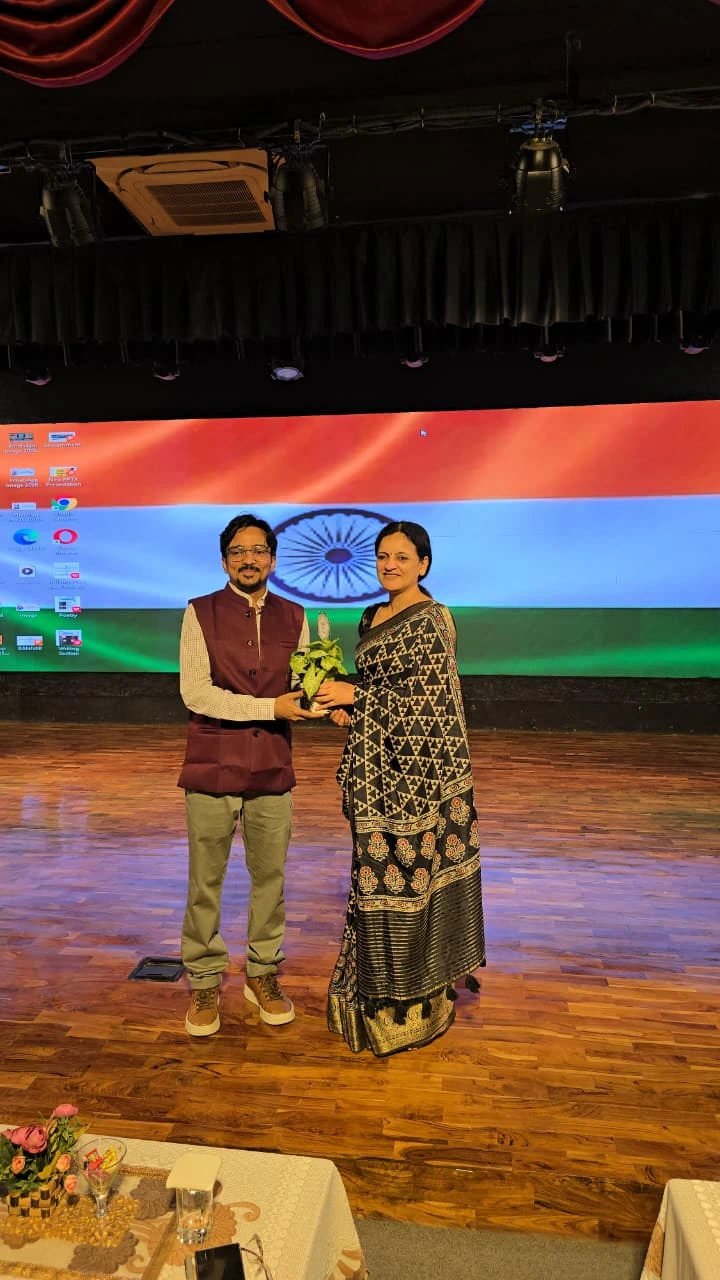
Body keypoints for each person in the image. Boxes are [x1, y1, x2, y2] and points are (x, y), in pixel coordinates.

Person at [314, 521, 486, 1056]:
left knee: (415, 881)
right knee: (372, 882)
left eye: (402, 557)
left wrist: (358, 698)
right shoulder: (372, 617)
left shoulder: (433, 620)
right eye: (383, 556)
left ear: (423, 564)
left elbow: (430, 707)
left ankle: (418, 1000)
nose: (390, 565)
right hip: (376, 775)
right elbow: (382, 691)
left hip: (422, 777)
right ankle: (375, 996)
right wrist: (349, 706)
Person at [178, 513, 322, 1037]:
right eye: (238, 551)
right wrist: (269, 708)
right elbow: (196, 693)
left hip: (272, 765)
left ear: (273, 560)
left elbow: (303, 684)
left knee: (270, 878)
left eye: (258, 550)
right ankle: (204, 978)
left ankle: (262, 973)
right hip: (212, 764)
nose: (248, 559)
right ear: (224, 562)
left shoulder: (296, 616)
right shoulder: (200, 612)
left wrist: (323, 699)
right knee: (205, 881)